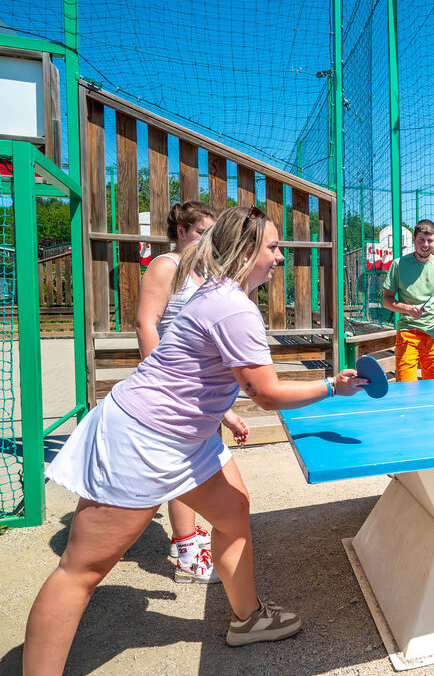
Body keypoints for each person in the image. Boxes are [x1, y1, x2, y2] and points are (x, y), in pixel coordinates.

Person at [24, 205, 368, 673]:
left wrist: (220, 414)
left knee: (234, 511)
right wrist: (333, 386)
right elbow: (266, 394)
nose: (280, 257)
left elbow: (199, 372)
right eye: (273, 247)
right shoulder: (233, 307)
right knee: (80, 571)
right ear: (246, 250)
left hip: (185, 437)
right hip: (145, 438)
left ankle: (248, 618)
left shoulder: (220, 293)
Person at [134, 200, 249, 584]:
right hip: (173, 389)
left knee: (196, 467)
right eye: (200, 232)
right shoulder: (166, 265)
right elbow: (145, 324)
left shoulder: (204, 272)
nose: (206, 240)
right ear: (181, 231)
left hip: (199, 392)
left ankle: (187, 535)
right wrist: (159, 379)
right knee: (184, 469)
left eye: (210, 234)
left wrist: (226, 411)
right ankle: (187, 553)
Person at [382, 219, 434, 382]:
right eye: (421, 240)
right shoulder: (398, 264)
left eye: (429, 240)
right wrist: (407, 309)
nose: (425, 244)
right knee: (406, 387)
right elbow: (386, 300)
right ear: (414, 240)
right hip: (408, 333)